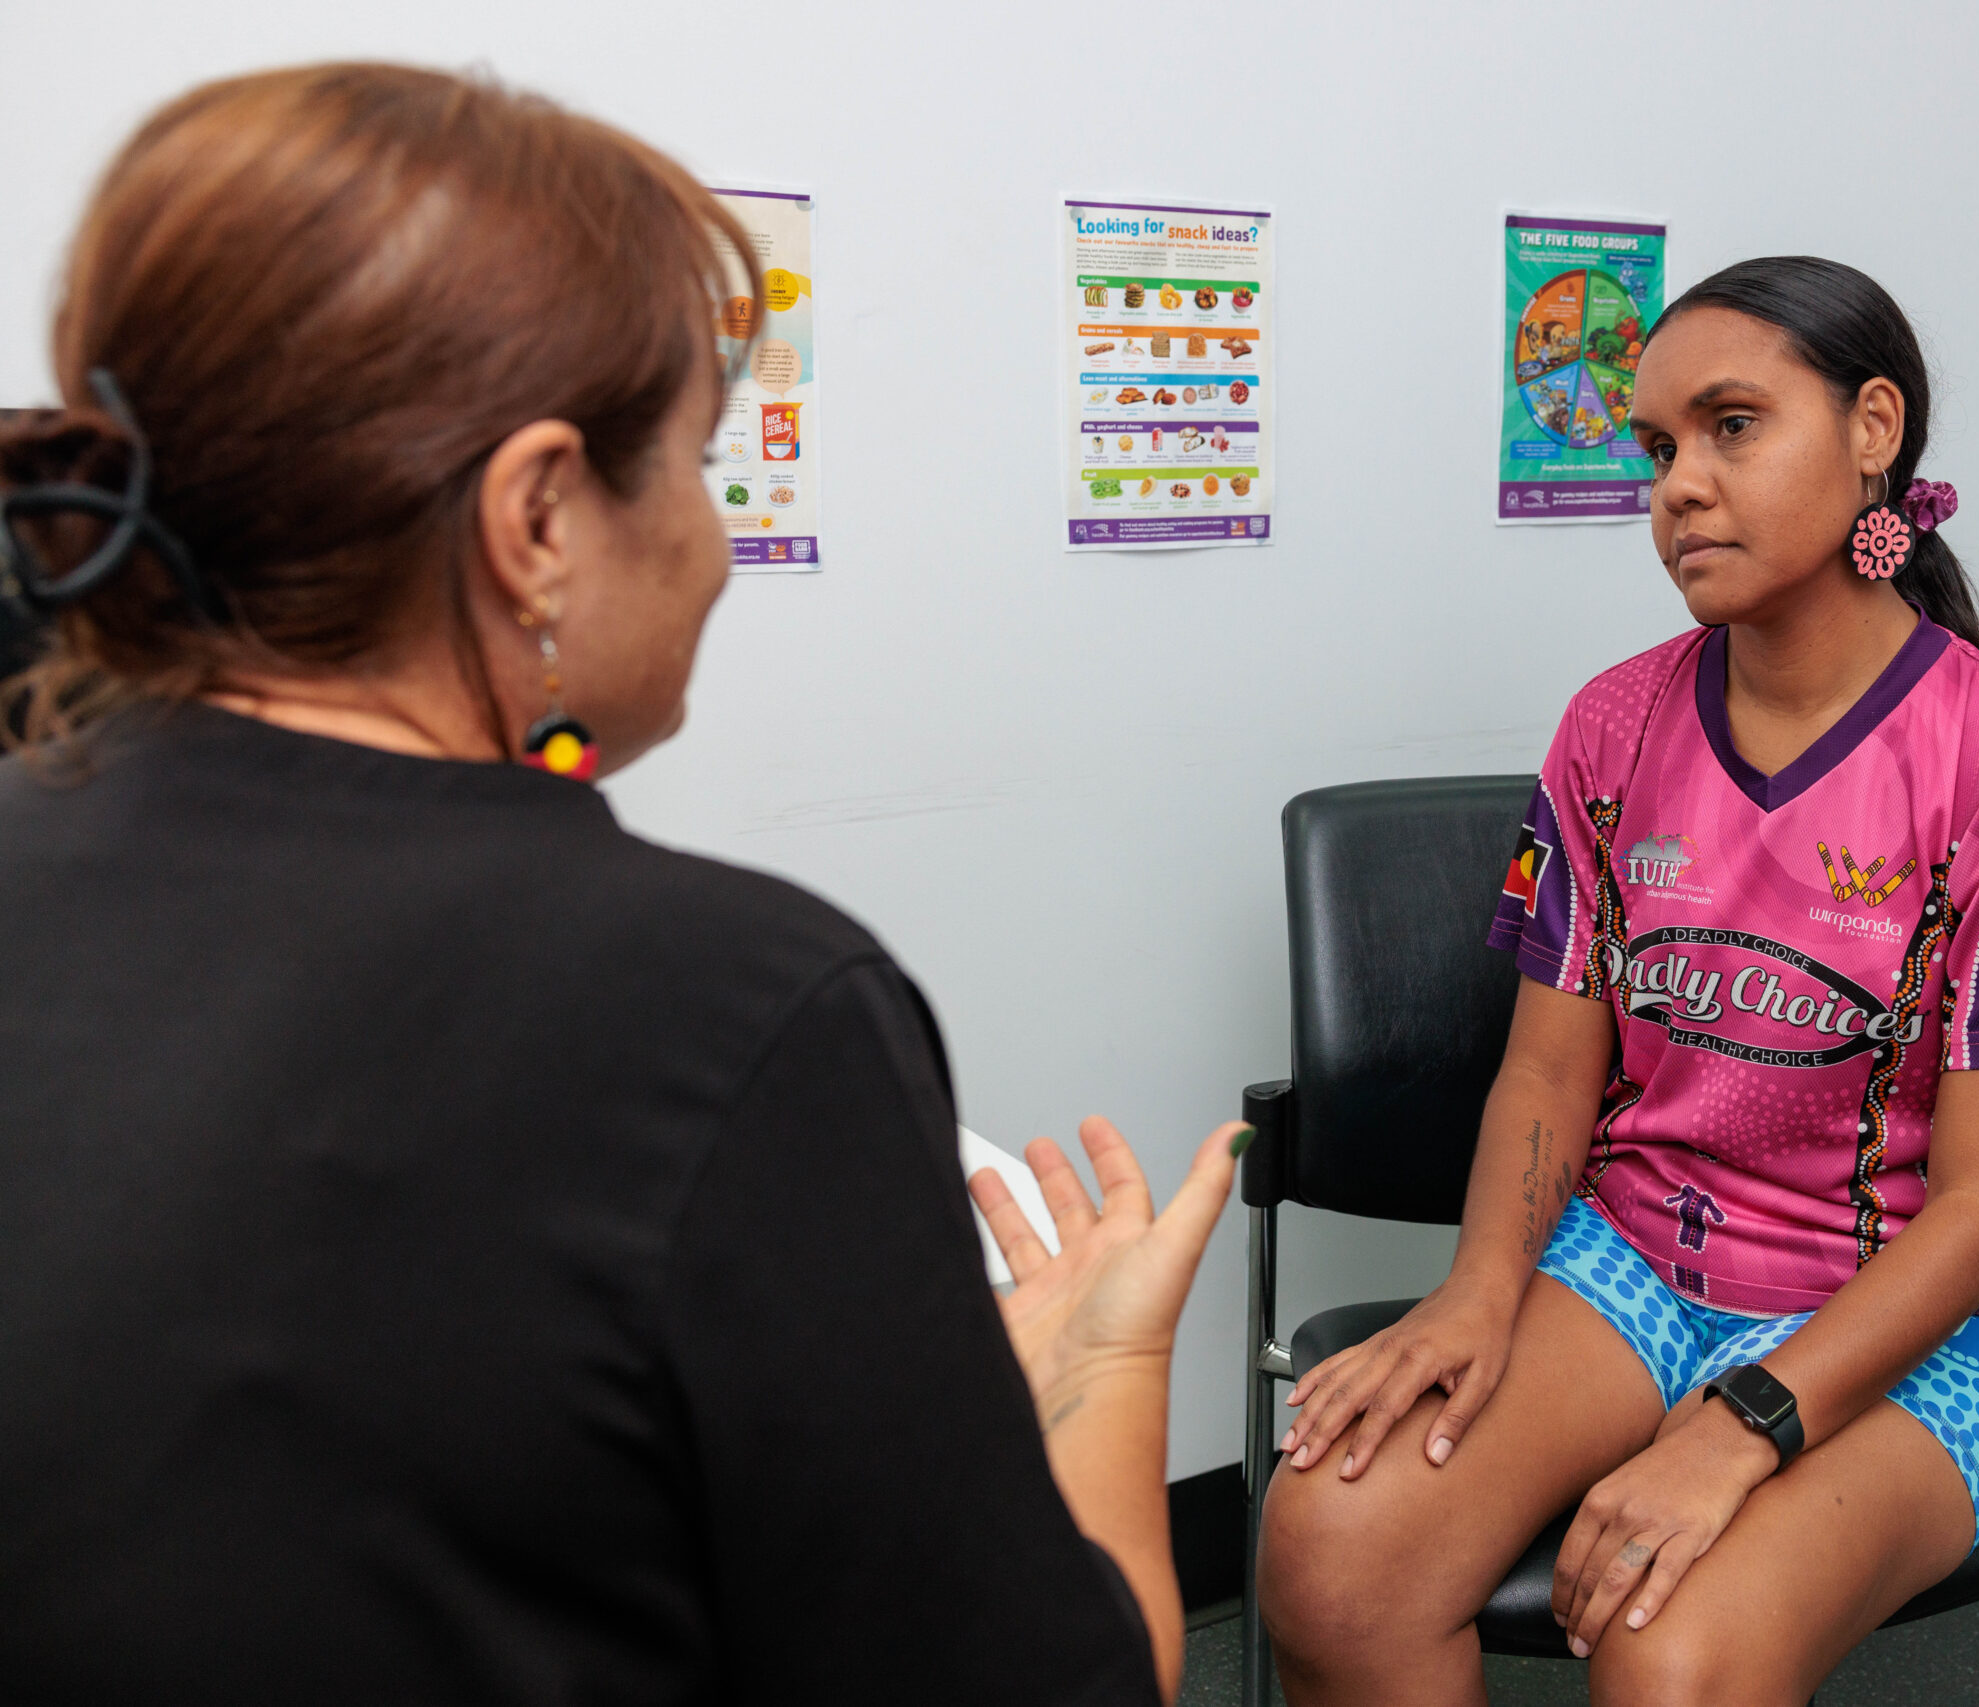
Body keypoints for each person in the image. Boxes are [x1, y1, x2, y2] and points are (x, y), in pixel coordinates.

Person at [0, 64, 1236, 1706]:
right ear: (537, 519)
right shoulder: (732, 1009)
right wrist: (1104, 1375)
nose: (718, 545)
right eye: (700, 463)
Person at [1257, 257, 1979, 1705]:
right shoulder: (1613, 725)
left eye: (1733, 426)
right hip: (1639, 1263)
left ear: (1874, 430)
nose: (1677, 486)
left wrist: (1747, 1425)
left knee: (1677, 1651)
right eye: (1659, 447)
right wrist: (1478, 1293)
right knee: (1334, 1545)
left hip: (1933, 1322)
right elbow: (1548, 1072)